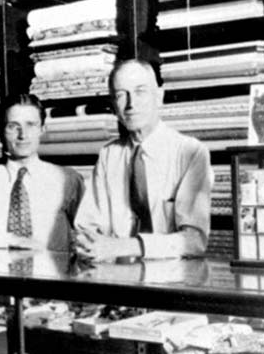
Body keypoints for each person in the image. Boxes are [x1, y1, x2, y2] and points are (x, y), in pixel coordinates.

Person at [74, 59, 212, 261]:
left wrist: (125, 247)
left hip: (172, 280)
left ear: (159, 96)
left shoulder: (190, 152)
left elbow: (194, 241)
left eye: (140, 91)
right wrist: (88, 244)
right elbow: (86, 228)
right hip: (117, 278)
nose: (131, 104)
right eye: (121, 95)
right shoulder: (108, 155)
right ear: (113, 106)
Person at [0, 94, 84, 250]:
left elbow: (90, 234)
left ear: (42, 130)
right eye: (13, 126)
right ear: (1, 132)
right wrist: (11, 240)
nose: (22, 135)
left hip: (52, 272)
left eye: (30, 125)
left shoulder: (67, 179)